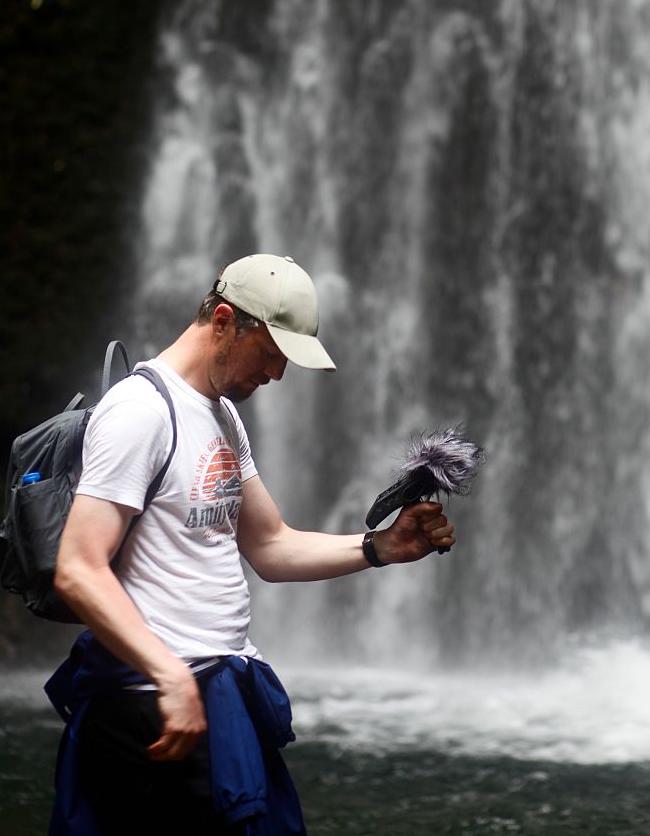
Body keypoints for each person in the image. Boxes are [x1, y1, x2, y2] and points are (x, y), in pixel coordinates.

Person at [47, 253, 455, 835]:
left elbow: (270, 546)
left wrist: (380, 547)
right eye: (272, 353)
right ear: (223, 322)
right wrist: (170, 677)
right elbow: (78, 569)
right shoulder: (141, 413)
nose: (277, 374)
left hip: (213, 692)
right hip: (152, 704)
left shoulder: (221, 416)